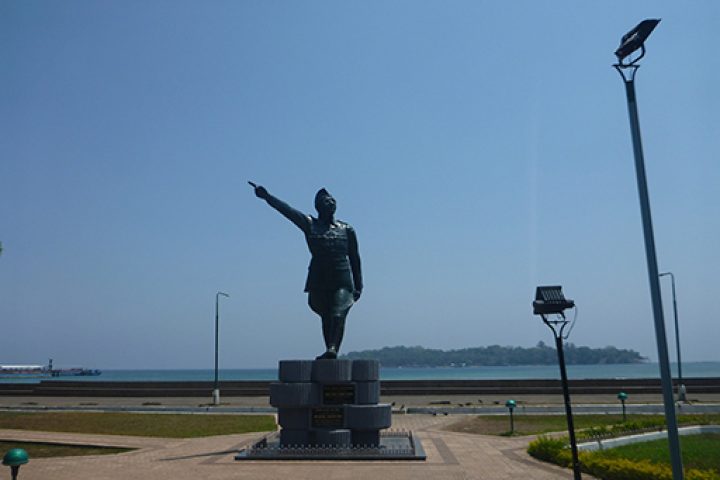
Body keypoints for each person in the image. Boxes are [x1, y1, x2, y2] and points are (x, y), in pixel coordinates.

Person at [250, 183, 363, 359]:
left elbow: (355, 258)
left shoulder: (347, 229)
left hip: (342, 278)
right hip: (319, 278)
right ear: (318, 206)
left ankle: (332, 348)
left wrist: (359, 285)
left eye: (333, 200)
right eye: (326, 201)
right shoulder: (310, 224)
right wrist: (268, 197)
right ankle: (330, 349)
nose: (331, 203)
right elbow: (288, 211)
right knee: (326, 316)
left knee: (338, 312)